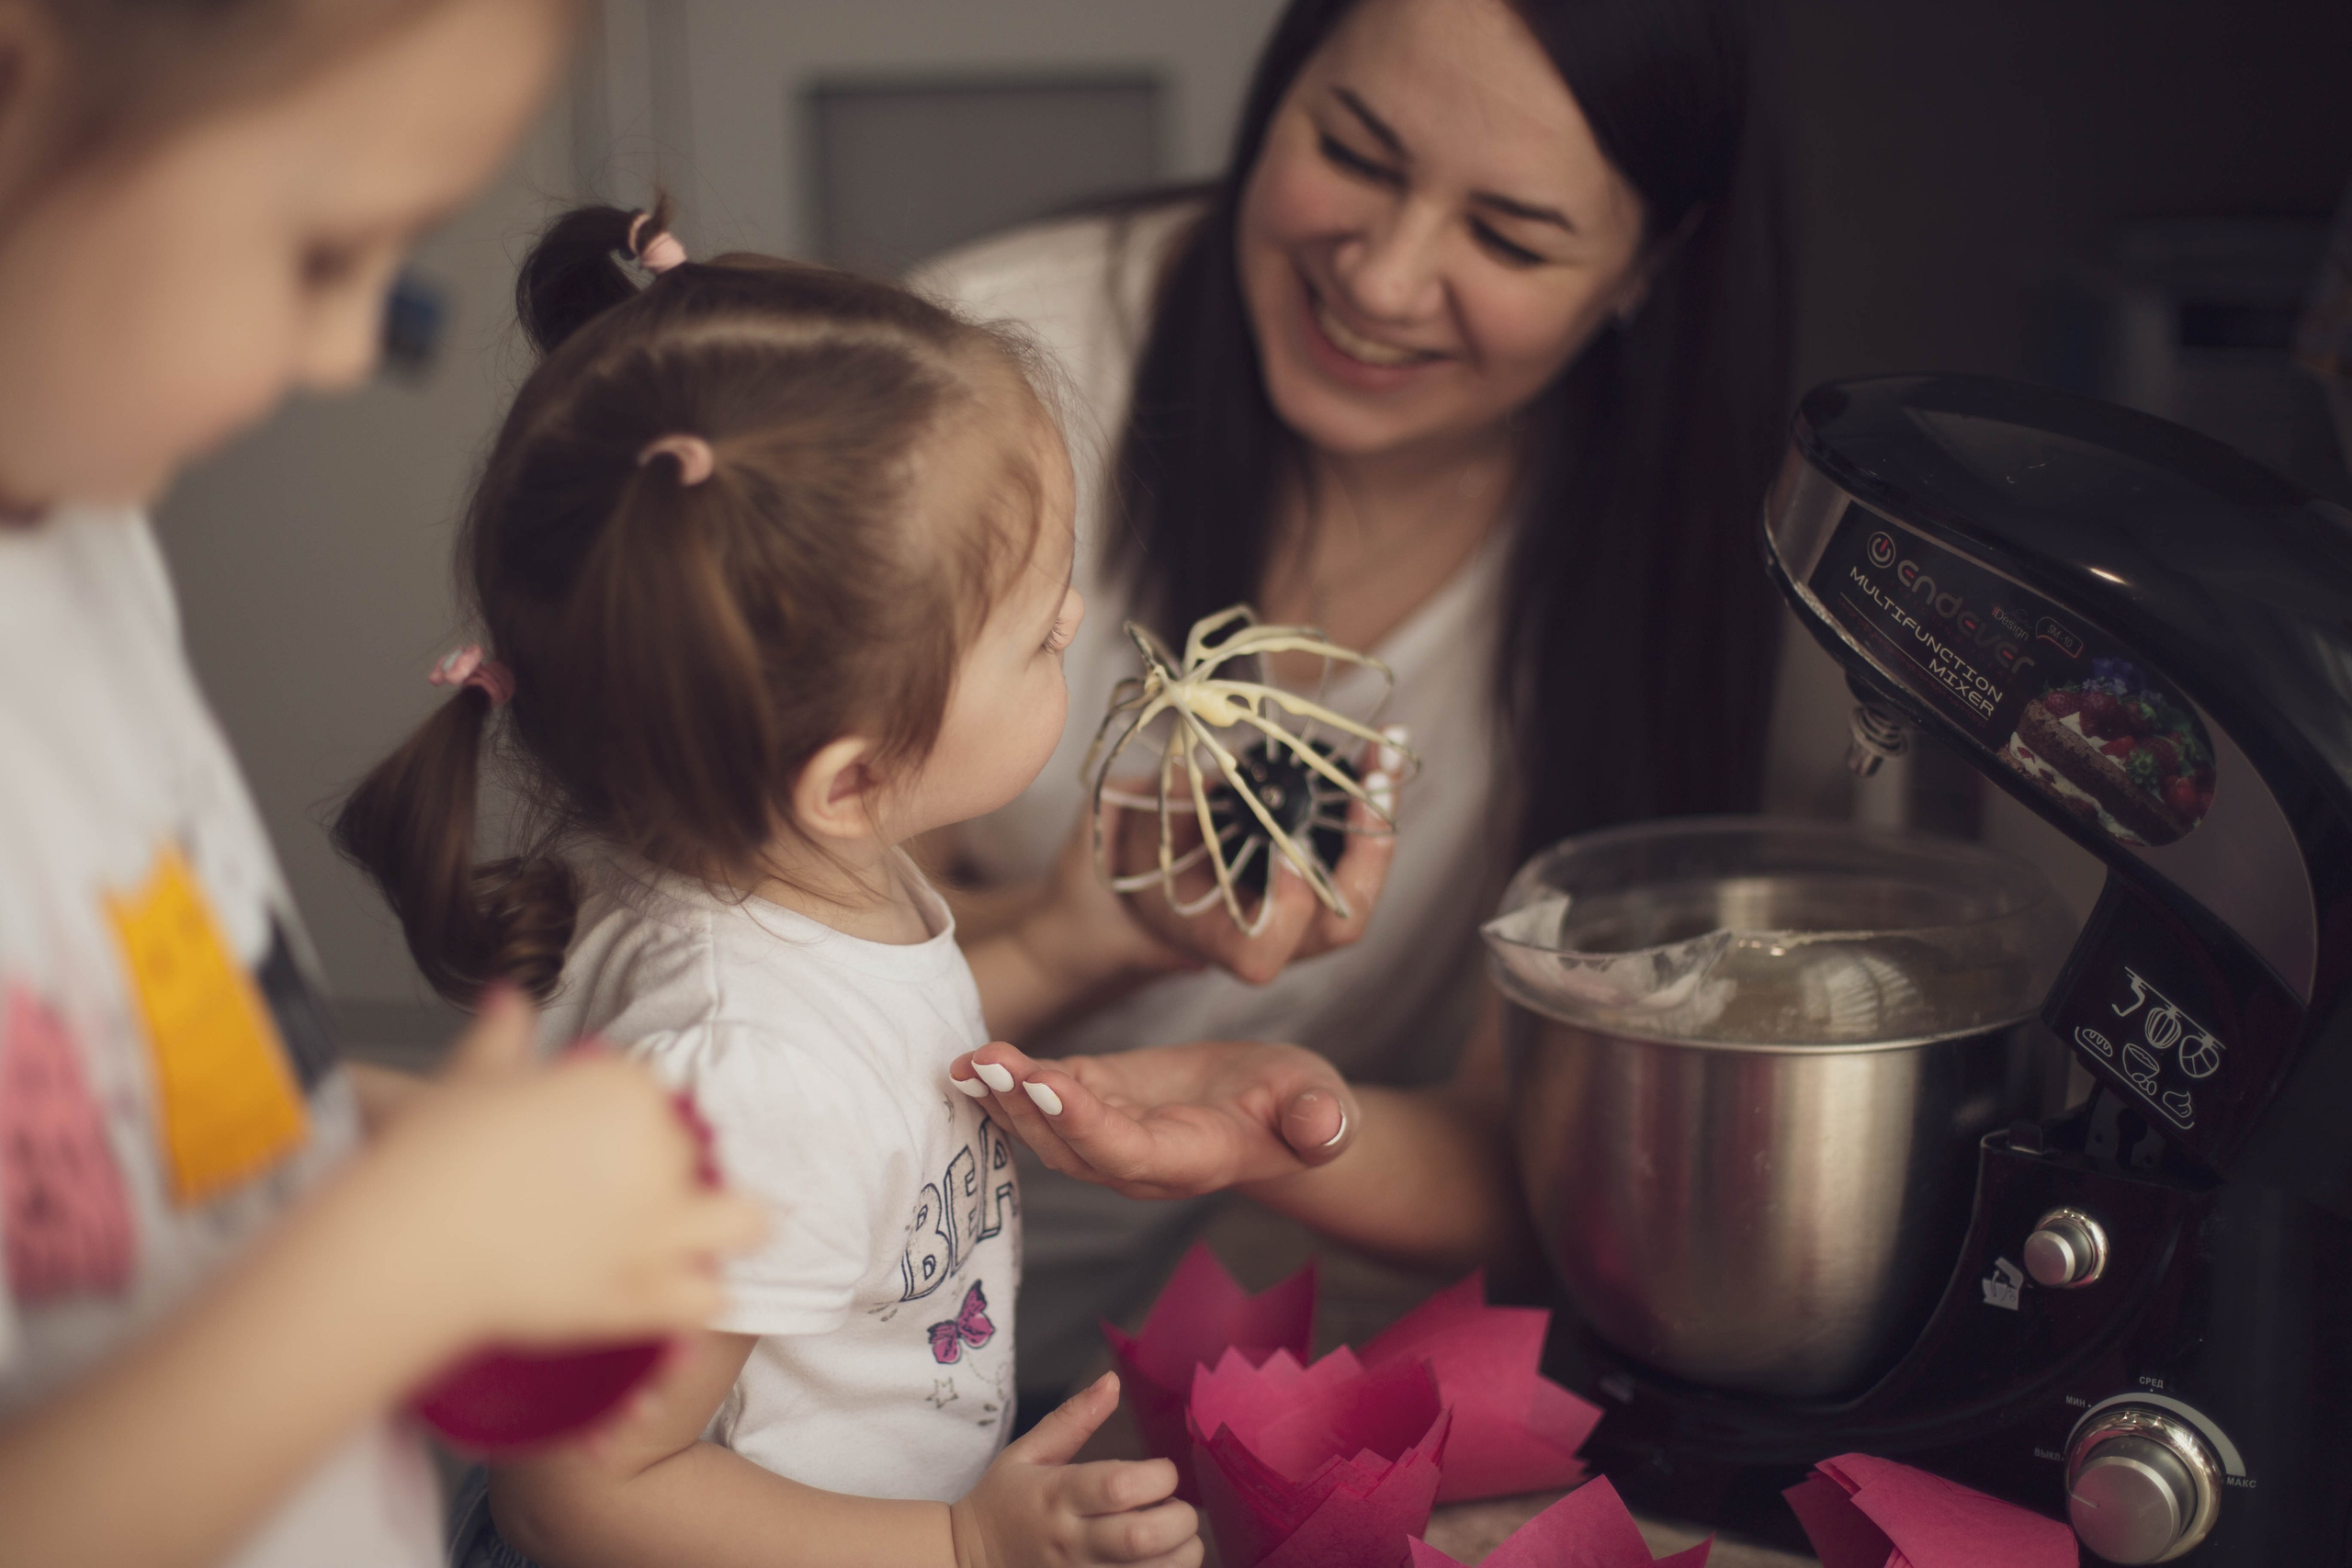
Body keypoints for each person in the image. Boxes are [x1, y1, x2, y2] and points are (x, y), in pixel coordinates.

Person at [912, 0, 1792, 1409]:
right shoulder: (984, 381)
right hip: (813, 1330)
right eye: (1355, 153)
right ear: (1275, 93)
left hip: (1158, 1397)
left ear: (1651, 264)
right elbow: (778, 972)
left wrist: (1263, 1123)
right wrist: (1092, 938)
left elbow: (1552, 1171)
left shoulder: (1672, 565)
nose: (1384, 279)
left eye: (1508, 237)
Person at [335, 207, 1222, 1568]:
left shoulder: (735, 859)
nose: (1076, 634)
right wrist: (960, 1545)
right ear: (852, 782)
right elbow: (581, 1493)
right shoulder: (755, 1073)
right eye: (1043, 635)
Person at [0, 5, 768, 1568]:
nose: (352, 350)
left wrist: (370, 1147)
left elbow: (126, 1094)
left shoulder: (74, 534)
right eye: (320, 252)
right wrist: (387, 1270)